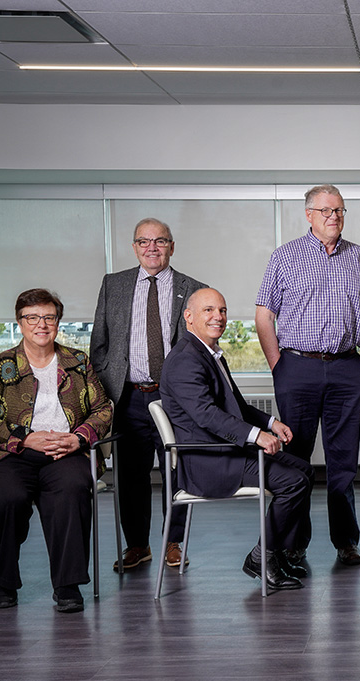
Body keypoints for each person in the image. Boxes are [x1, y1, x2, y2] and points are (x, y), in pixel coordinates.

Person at [255, 184, 360, 567]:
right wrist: (278, 365)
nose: (335, 217)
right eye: (327, 211)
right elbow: (264, 315)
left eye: (340, 211)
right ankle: (293, 544)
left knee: (343, 460)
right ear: (309, 214)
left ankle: (346, 540)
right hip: (296, 367)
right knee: (295, 459)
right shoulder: (285, 257)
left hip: (348, 367)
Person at [0, 288, 113, 612]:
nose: (41, 324)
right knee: (10, 498)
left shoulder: (77, 362)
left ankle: (67, 585)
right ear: (20, 322)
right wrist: (24, 437)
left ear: (58, 321)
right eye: (32, 317)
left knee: (73, 489)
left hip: (64, 451)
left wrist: (79, 438)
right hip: (9, 455)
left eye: (48, 317)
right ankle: (4, 580)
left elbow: (103, 408)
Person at [160, 288, 314, 592]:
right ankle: (262, 557)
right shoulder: (185, 360)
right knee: (292, 482)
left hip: (225, 450)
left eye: (222, 310)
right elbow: (206, 415)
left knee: (304, 470)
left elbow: (236, 407)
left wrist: (272, 423)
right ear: (188, 317)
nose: (218, 317)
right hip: (208, 459)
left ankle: (279, 553)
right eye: (209, 310)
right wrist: (257, 436)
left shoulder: (208, 352)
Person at [90, 218, 206, 573]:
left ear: (172, 246)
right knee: (129, 475)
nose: (152, 248)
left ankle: (173, 543)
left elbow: (202, 345)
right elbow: (100, 344)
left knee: (178, 471)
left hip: (174, 398)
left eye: (160, 241)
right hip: (128, 397)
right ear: (134, 246)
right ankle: (137, 545)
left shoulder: (194, 289)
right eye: (144, 241)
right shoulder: (114, 285)